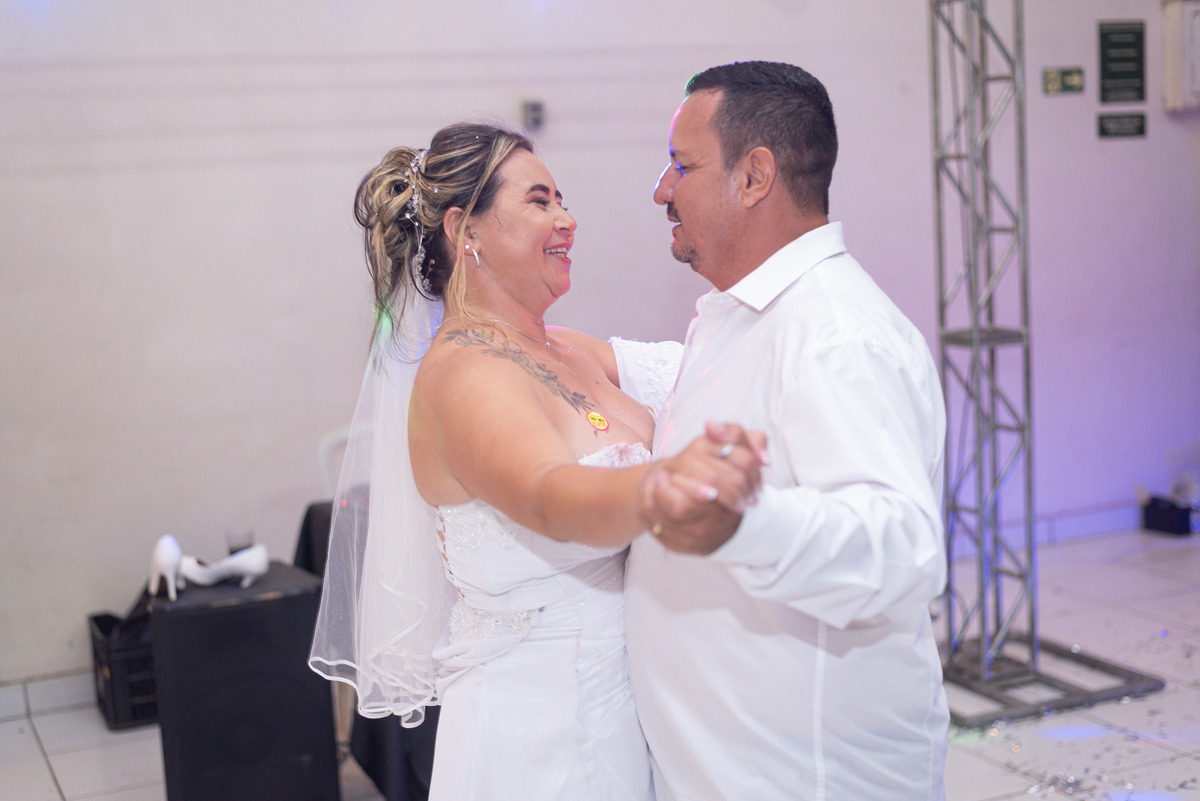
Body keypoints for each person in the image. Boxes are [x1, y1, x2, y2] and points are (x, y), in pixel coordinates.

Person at [308, 122, 764, 801]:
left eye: (563, 200)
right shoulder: (463, 375)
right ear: (466, 230)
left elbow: (701, 370)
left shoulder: (566, 347)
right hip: (539, 732)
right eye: (540, 201)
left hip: (624, 709)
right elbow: (549, 496)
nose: (567, 220)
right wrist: (661, 487)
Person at [626, 61, 950, 800]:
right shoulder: (745, 313)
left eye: (682, 166)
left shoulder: (834, 334)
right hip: (727, 766)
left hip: (809, 775)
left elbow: (900, 546)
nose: (662, 190)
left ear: (754, 176)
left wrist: (742, 524)